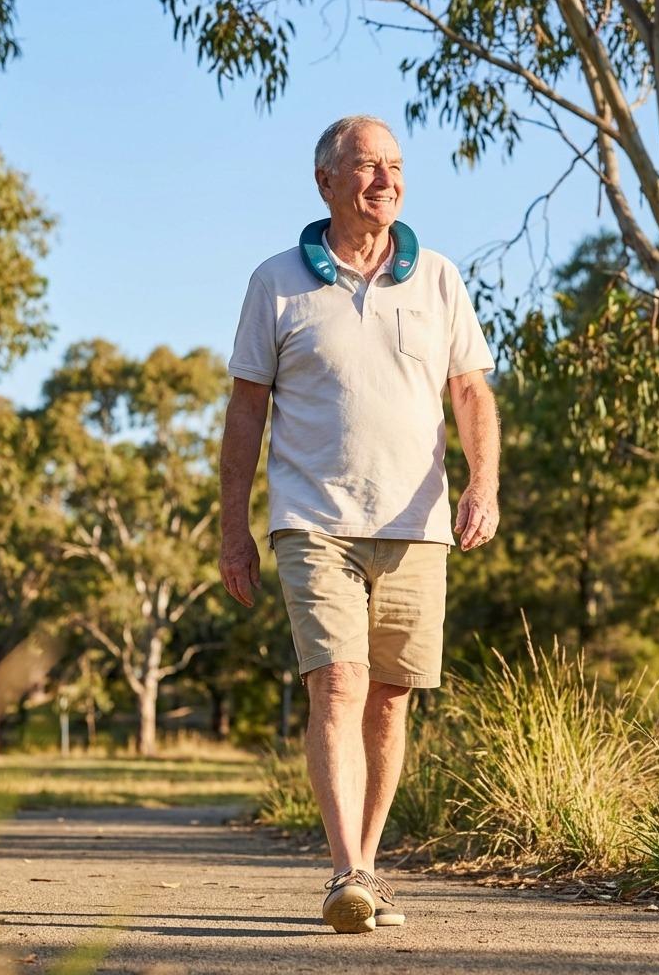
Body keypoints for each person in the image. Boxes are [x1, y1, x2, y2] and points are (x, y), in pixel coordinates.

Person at [218, 115, 500, 934]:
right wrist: (233, 529)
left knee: (390, 697)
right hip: (314, 519)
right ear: (326, 181)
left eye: (395, 165)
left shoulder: (438, 277)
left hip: (417, 524)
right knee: (338, 682)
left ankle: (367, 868)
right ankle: (345, 870)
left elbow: (470, 392)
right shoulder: (276, 281)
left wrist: (482, 484)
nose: (386, 179)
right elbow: (246, 410)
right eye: (368, 165)